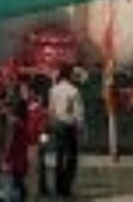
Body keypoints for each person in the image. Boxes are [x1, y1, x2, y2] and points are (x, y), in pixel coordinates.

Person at [48, 65, 84, 198]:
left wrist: (51, 125)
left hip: (57, 125)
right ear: (69, 76)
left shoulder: (53, 90)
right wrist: (80, 128)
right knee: (71, 158)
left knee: (59, 156)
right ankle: (66, 188)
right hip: (69, 127)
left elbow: (51, 110)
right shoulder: (74, 91)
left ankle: (58, 187)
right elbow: (78, 113)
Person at [2, 93, 30, 202]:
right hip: (21, 160)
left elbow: (10, 142)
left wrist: (5, 158)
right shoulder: (22, 122)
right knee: (18, 185)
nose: (6, 108)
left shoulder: (13, 122)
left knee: (13, 189)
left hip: (14, 161)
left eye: (8, 106)